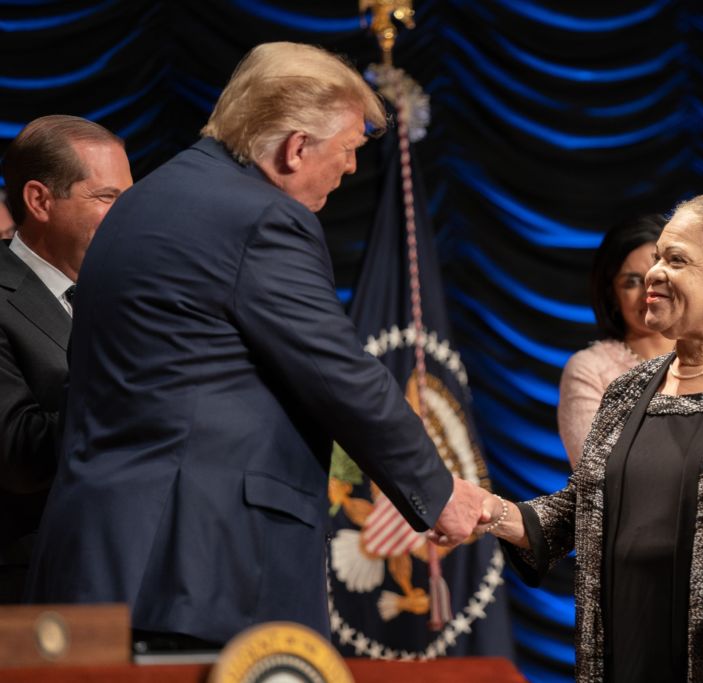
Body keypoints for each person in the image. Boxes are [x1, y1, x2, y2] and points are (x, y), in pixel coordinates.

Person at [25, 42, 488, 646]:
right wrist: (439, 490)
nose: (350, 170)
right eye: (347, 150)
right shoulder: (260, 218)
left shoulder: (143, 203)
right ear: (296, 146)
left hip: (96, 560)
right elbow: (338, 373)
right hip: (197, 570)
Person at [477, 195, 703, 682]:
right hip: (622, 647)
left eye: (676, 259)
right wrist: (494, 512)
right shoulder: (626, 390)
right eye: (659, 256)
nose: (655, 273)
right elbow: (581, 507)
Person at [0, 115, 132, 603]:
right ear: (39, 201)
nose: (127, 215)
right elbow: (18, 456)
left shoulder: (127, 293)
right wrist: (135, 377)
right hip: (34, 593)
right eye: (107, 198)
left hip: (131, 577)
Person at [558, 215, 675, 467]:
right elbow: (597, 472)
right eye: (632, 282)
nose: (649, 292)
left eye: (659, 277)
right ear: (612, 295)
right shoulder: (590, 369)